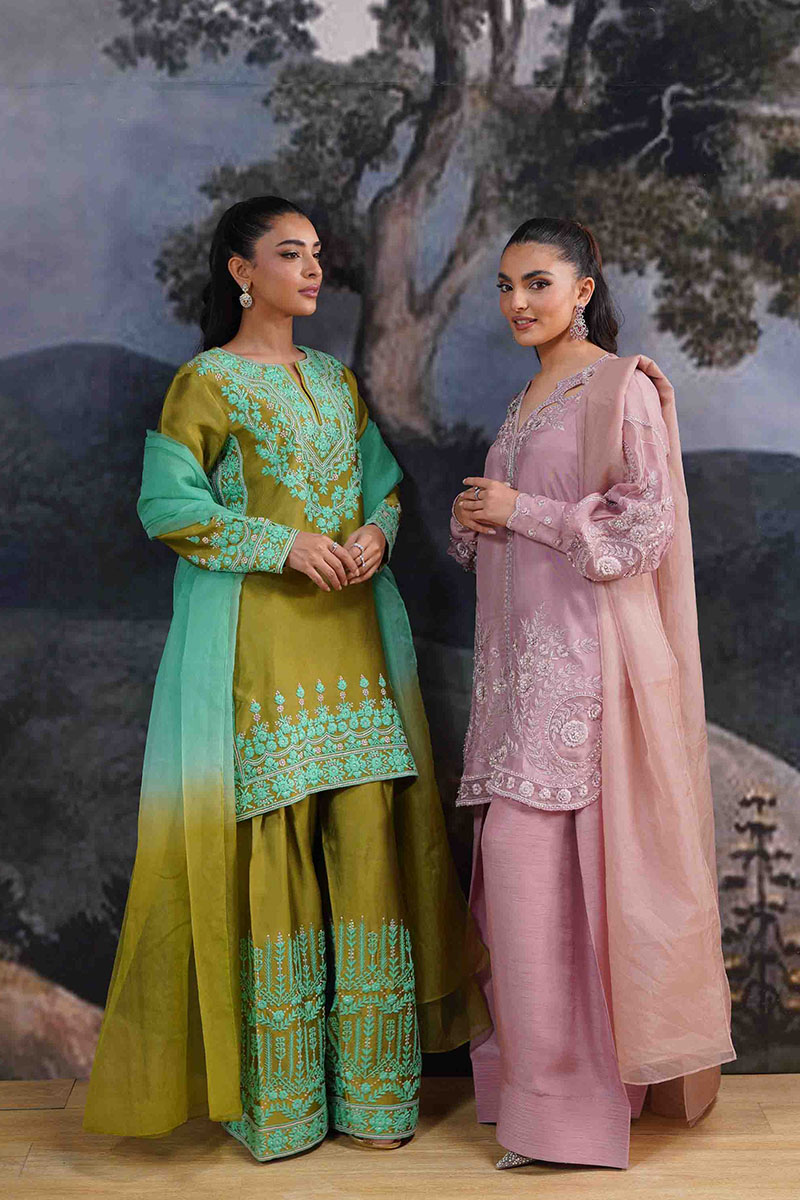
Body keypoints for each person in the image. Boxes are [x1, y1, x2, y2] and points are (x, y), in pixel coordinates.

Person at [84, 195, 487, 1162]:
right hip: (261, 651)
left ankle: (376, 1100)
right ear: (240, 271)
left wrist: (373, 533)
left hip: (354, 649)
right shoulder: (205, 384)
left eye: (316, 254)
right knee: (278, 849)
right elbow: (167, 506)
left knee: (366, 842)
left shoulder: (336, 383)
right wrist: (285, 544)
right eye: (289, 253)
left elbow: (383, 487)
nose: (312, 269)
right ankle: (286, 1105)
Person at [449, 217, 735, 1171]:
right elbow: (528, 533)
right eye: (504, 285)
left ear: (583, 288)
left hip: (588, 675)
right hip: (517, 680)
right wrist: (480, 519)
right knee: (520, 889)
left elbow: (642, 528)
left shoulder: (621, 387)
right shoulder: (526, 397)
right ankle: (535, 1101)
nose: (516, 302)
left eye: (537, 282)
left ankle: (571, 1118)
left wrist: (521, 510)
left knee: (565, 891)